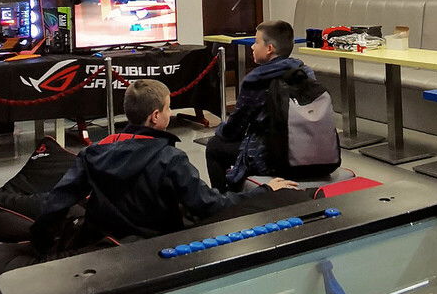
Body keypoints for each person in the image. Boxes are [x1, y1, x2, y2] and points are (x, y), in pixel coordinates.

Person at [30, 79, 299, 252]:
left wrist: (41, 246)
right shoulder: (171, 159)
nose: (170, 113)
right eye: (169, 108)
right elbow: (208, 204)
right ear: (156, 116)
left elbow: (57, 202)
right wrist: (263, 191)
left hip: (101, 243)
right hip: (157, 247)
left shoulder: (92, 153)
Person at [205, 19, 314, 191]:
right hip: (307, 149)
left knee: (214, 146)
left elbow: (234, 128)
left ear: (269, 48)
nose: (252, 47)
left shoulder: (256, 79)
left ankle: (224, 200)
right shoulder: (306, 72)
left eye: (256, 42)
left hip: (273, 157)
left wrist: (220, 130)